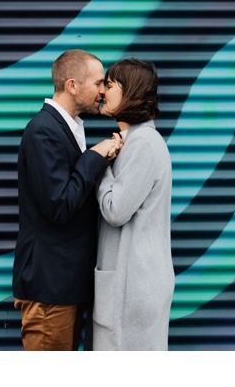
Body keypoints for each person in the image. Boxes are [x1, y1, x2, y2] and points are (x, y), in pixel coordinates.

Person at [13, 49, 122, 350]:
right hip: (50, 290)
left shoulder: (67, 128)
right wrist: (94, 156)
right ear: (72, 85)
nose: (103, 91)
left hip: (66, 287)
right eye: (98, 83)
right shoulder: (43, 131)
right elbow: (59, 205)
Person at [93, 57, 175, 351]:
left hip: (134, 287)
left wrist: (100, 164)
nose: (102, 91)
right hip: (132, 284)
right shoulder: (137, 141)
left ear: (131, 92)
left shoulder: (142, 143)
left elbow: (116, 210)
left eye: (110, 84)